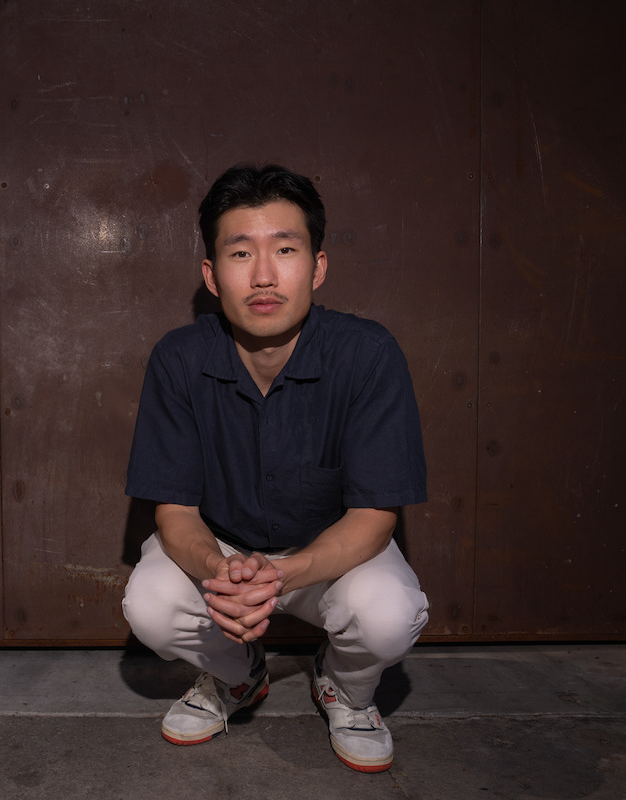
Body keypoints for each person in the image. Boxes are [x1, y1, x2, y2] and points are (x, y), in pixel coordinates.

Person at [122, 163, 429, 773]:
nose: (263, 275)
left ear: (316, 265)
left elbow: (374, 516)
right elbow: (175, 512)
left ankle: (346, 688)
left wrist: (287, 572)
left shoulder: (367, 355)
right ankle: (236, 677)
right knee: (150, 602)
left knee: (390, 614)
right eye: (240, 253)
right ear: (212, 275)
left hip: (329, 557)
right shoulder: (179, 360)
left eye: (285, 249)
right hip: (225, 556)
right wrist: (220, 569)